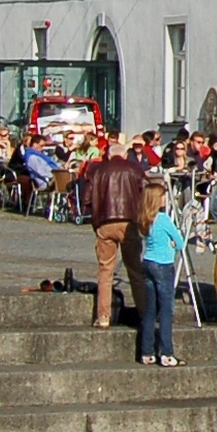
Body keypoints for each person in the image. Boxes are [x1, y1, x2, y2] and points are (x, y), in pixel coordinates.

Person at [80, 140, 147, 330]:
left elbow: (86, 198)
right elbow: (146, 192)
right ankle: (144, 313)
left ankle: (103, 317)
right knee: (135, 271)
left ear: (108, 155)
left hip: (104, 222)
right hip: (129, 223)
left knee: (105, 271)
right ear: (124, 155)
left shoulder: (98, 171)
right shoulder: (134, 170)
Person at [136, 183, 186, 366]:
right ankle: (166, 352)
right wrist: (173, 245)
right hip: (163, 265)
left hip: (147, 262)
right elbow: (180, 242)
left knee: (150, 309)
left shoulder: (144, 218)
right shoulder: (163, 219)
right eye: (164, 196)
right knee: (166, 309)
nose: (166, 199)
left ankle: (146, 351)